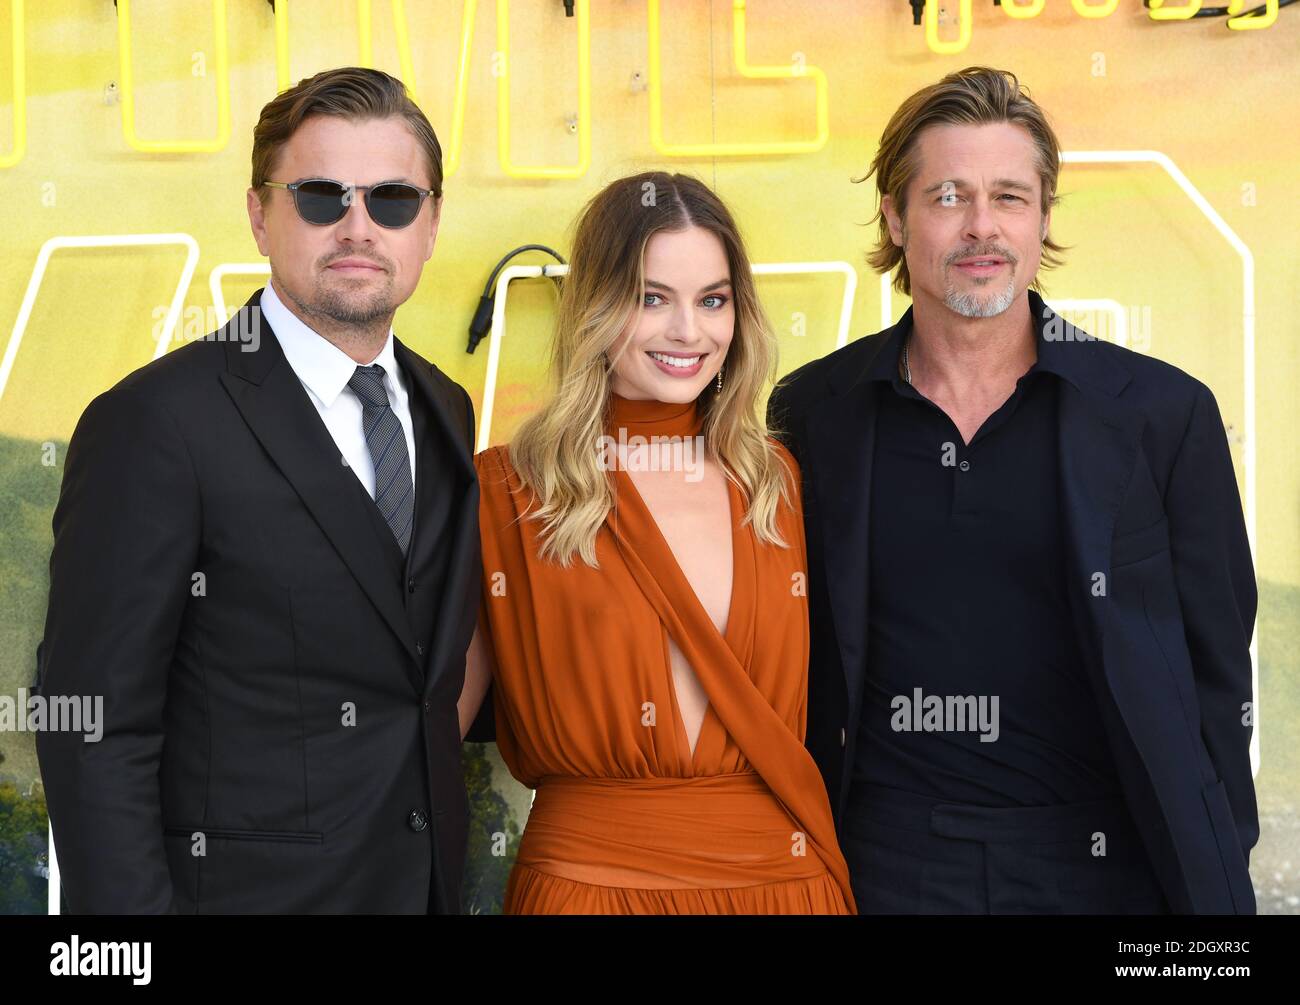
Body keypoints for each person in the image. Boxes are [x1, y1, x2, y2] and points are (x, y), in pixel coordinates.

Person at [768, 66, 1258, 915]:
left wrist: (1215, 871)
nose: (982, 227)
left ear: (1042, 218)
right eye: (949, 195)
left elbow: (1218, 679)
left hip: (1108, 863)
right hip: (882, 863)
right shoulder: (817, 412)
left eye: (1010, 197)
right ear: (895, 214)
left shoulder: (1161, 414)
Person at [35, 67, 481, 913]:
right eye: (320, 197)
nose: (358, 226)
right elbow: (92, 723)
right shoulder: (155, 421)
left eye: (392, 200)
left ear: (430, 225)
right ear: (258, 215)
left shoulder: (445, 410)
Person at [457, 171, 855, 914]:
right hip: (587, 889)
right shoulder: (506, 491)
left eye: (713, 299)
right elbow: (426, 726)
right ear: (594, 307)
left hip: (781, 887)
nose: (689, 332)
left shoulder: (777, 484)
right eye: (651, 298)